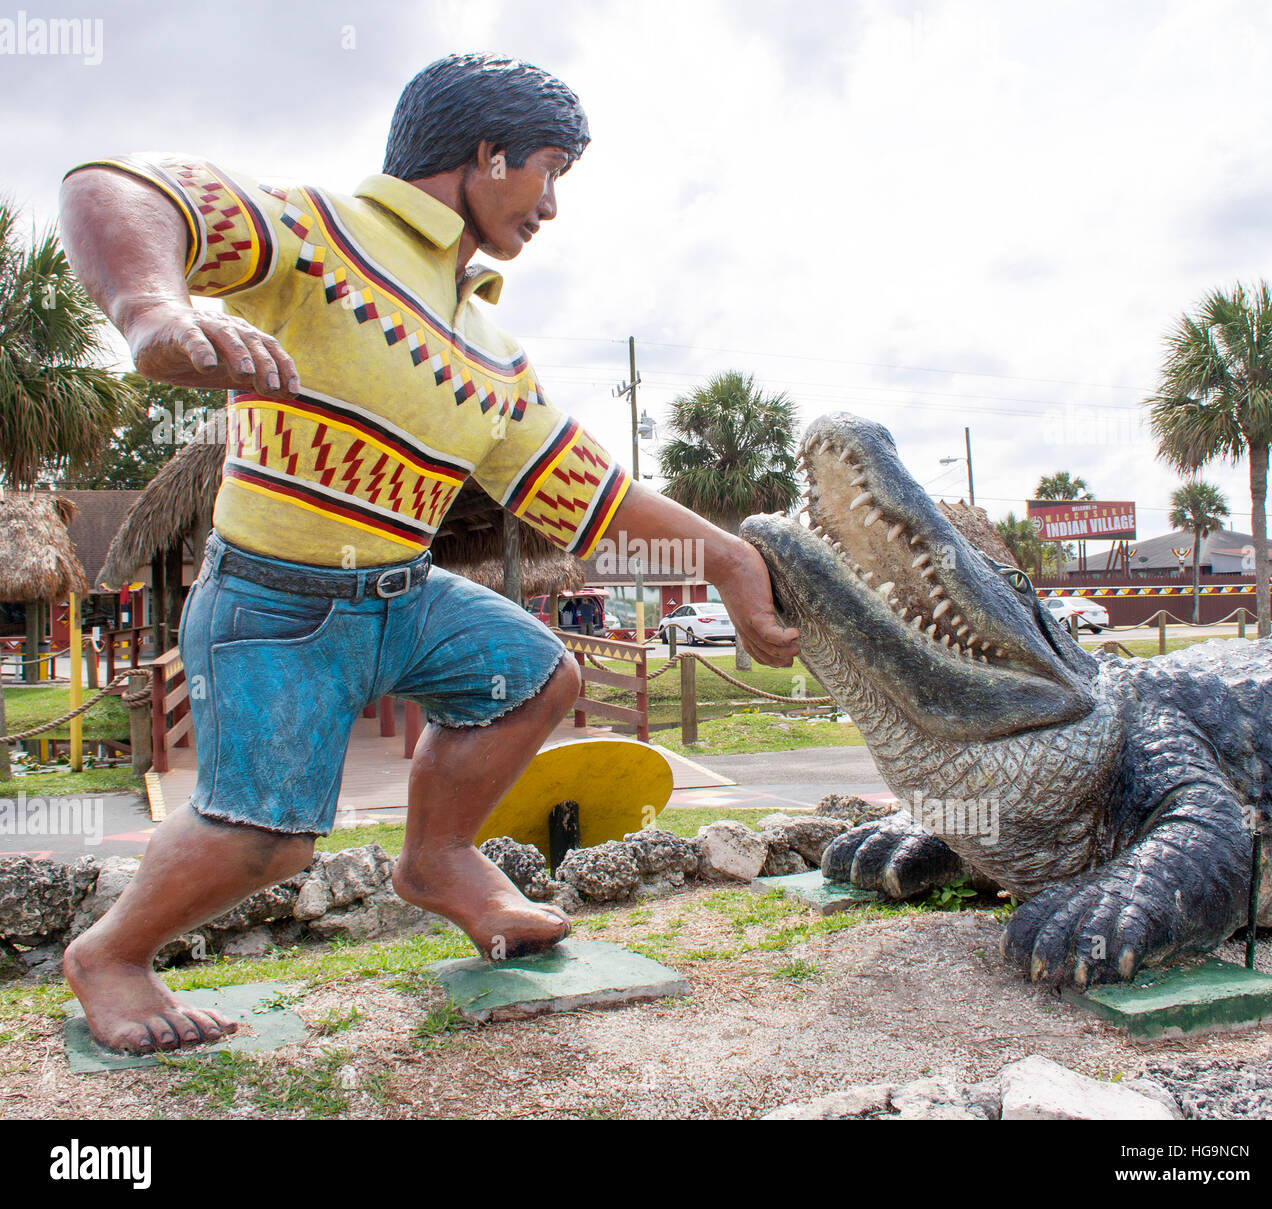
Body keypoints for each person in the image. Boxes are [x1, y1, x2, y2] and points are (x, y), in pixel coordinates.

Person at [58, 53, 799, 1054]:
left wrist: (727, 562)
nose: (551, 204)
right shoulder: (318, 233)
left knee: (534, 675)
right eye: (547, 170)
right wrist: (152, 309)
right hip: (274, 604)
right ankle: (111, 954)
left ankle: (438, 856)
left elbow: (587, 491)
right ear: (486, 155)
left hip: (405, 598)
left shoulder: (490, 349)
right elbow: (115, 187)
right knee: (265, 841)